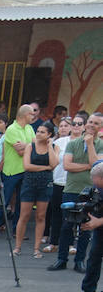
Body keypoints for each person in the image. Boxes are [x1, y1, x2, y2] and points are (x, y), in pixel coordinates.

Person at [55, 112, 103, 274]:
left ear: (100, 127)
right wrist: (88, 166)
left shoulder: (100, 145)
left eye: (95, 123)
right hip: (71, 188)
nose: (91, 125)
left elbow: (96, 165)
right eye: (90, 121)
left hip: (91, 190)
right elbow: (67, 165)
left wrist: (90, 146)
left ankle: (79, 260)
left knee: (85, 227)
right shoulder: (73, 143)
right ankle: (61, 259)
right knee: (66, 225)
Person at [15, 120, 56, 257]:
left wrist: (50, 147)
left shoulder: (54, 146)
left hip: (45, 184)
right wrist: (45, 168)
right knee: (24, 215)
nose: (38, 134)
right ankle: (17, 247)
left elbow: (54, 163)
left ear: (49, 134)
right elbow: (27, 166)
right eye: (38, 131)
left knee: (40, 216)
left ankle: (36, 248)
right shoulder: (30, 146)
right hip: (29, 182)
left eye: (42, 132)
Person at [67, 160, 103, 292]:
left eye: (96, 182)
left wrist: (98, 222)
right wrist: (85, 217)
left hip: (100, 223)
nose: (94, 184)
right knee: (93, 257)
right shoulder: (96, 189)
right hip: (100, 228)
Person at [0, 104, 36, 230]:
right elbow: (21, 152)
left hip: (25, 170)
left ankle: (17, 228)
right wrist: (30, 145)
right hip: (11, 171)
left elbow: (35, 147)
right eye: (32, 113)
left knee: (22, 202)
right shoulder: (12, 129)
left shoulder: (30, 128)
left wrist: (26, 145)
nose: (34, 116)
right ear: (25, 115)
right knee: (5, 200)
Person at [44, 115, 72, 251]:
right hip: (57, 180)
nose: (63, 128)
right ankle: (53, 241)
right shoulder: (57, 142)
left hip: (71, 182)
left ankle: (70, 244)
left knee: (71, 214)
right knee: (55, 212)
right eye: (61, 126)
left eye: (66, 125)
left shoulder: (75, 142)